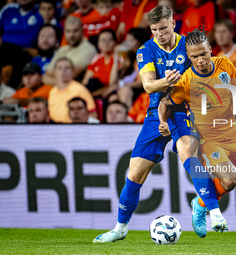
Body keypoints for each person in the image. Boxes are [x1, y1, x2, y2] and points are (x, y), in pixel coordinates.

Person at [93, 6, 227, 243]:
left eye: (163, 28)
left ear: (173, 23)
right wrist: (166, 81)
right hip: (156, 112)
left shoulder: (189, 46)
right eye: (155, 30)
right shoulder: (146, 50)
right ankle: (120, 229)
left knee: (188, 152)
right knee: (134, 174)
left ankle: (215, 214)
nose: (159, 34)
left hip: (185, 109)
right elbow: (147, 85)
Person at [158, 27, 236, 243]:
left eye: (203, 54)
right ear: (189, 57)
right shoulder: (186, 80)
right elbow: (165, 102)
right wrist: (163, 123)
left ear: (210, 49)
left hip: (233, 133)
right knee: (231, 181)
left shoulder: (225, 65)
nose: (200, 60)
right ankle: (202, 203)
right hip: (207, 140)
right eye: (194, 57)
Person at [0, 0, 44, 87]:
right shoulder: (8, 9)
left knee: (13, 68)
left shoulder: (41, 11)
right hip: (5, 49)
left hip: (26, 54)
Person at [43, 16, 97, 85]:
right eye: (68, 31)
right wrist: (61, 82)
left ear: (82, 30)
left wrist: (51, 79)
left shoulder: (88, 48)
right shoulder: (62, 49)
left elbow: (72, 75)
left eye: (75, 31)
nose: (72, 35)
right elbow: (47, 74)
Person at [48, 57, 97, 123]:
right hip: (54, 128)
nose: (63, 71)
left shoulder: (80, 90)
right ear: (55, 72)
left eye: (67, 68)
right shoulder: (52, 91)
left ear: (72, 71)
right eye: (60, 68)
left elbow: (92, 114)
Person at [82, 29, 118, 96]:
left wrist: (116, 59)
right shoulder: (96, 58)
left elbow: (112, 83)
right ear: (98, 44)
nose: (106, 43)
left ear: (115, 42)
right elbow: (86, 81)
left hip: (110, 92)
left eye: (109, 40)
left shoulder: (118, 58)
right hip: (94, 91)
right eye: (103, 40)